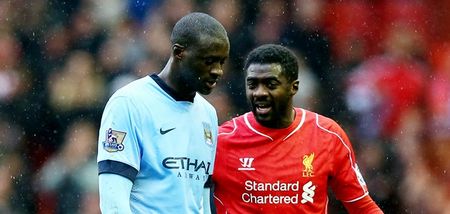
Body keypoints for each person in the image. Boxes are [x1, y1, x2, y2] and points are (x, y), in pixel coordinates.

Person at [212, 44, 383, 213]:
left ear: (294, 87)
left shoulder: (327, 135)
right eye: (252, 84)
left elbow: (363, 207)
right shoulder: (221, 140)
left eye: (271, 84)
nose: (259, 93)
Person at [97, 12, 230, 213]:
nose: (217, 70)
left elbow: (202, 198)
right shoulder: (129, 103)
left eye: (221, 62)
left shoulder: (208, 114)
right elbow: (113, 201)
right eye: (209, 61)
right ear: (179, 52)